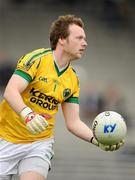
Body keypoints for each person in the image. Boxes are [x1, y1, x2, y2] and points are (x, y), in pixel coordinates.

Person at [0, 14, 124, 180]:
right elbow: (11, 91)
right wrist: (27, 114)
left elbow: (73, 122)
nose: (85, 43)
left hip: (39, 144)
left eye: (85, 39)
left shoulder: (73, 78)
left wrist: (97, 140)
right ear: (62, 39)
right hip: (5, 138)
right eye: (79, 38)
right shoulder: (37, 59)